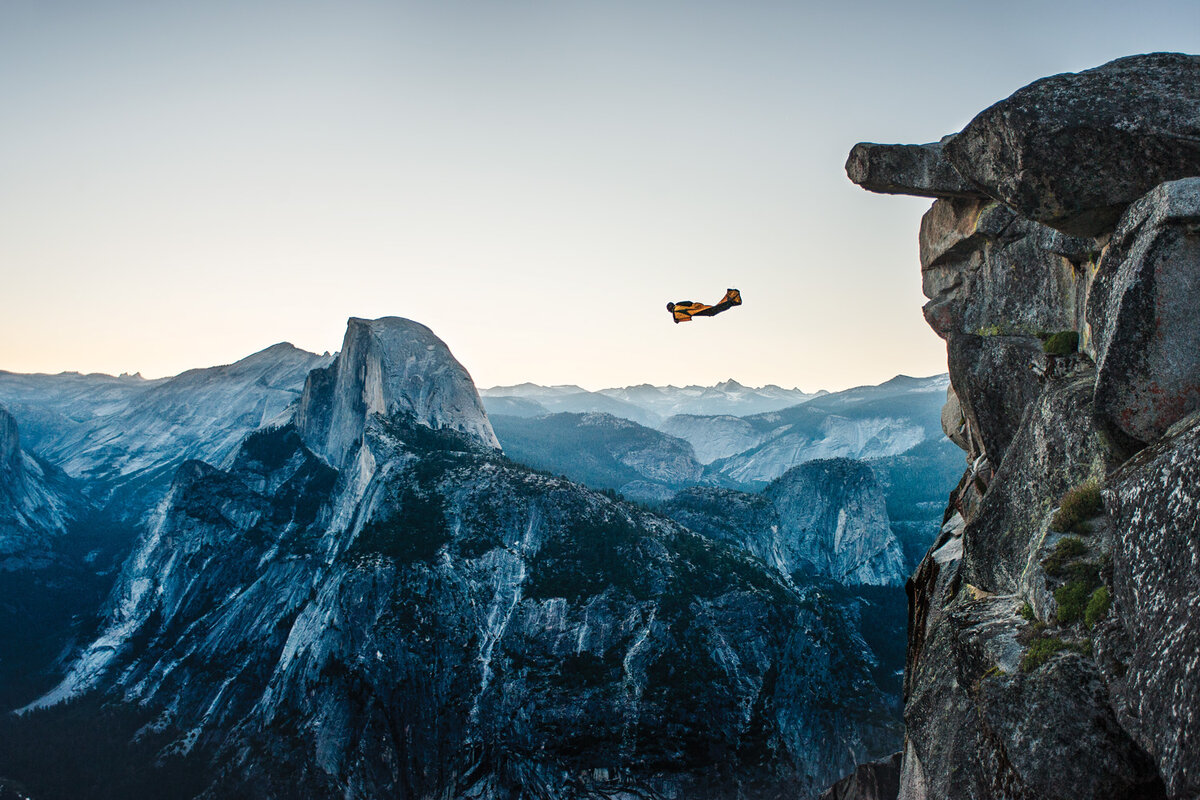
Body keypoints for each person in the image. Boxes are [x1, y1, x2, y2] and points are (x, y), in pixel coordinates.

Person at [667, 288, 742, 323]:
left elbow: (677, 320)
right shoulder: (677, 307)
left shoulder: (676, 312)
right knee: (713, 310)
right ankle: (731, 301)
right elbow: (689, 302)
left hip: (697, 310)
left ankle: (731, 301)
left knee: (713, 311)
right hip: (697, 309)